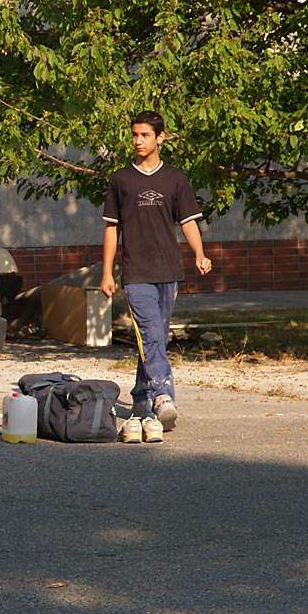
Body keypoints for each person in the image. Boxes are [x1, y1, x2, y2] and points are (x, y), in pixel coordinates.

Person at [100, 111, 212, 442]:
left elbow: (188, 221)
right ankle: (163, 396)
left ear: (160, 138)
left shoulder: (175, 179)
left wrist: (200, 253)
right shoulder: (121, 180)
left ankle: (140, 402)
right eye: (134, 135)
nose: (137, 141)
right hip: (136, 273)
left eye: (145, 135)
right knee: (150, 335)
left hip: (169, 272)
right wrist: (107, 272)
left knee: (154, 340)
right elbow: (111, 229)